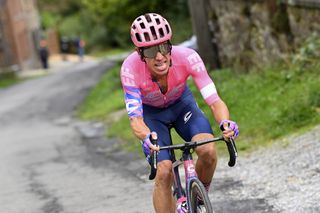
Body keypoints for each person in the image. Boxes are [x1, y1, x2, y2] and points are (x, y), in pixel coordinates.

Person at [120, 13, 239, 213]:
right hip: (152, 116)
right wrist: (146, 137)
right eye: (150, 51)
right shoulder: (130, 69)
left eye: (164, 47)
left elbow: (214, 100)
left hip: (182, 106)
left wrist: (225, 122)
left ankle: (196, 199)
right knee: (164, 172)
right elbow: (136, 120)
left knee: (208, 151)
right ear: (139, 52)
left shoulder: (188, 57)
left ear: (170, 45)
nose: (159, 56)